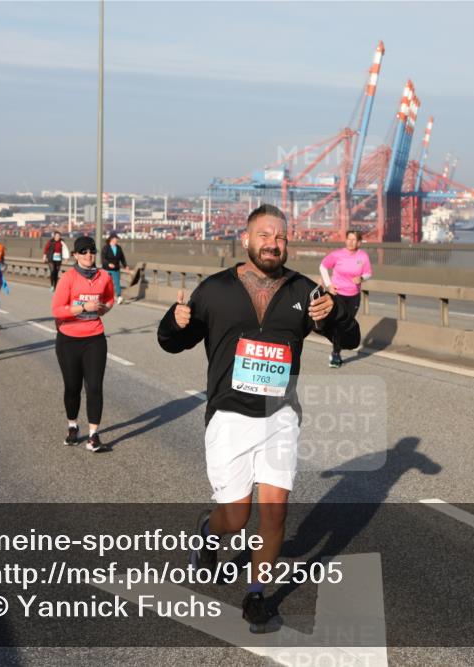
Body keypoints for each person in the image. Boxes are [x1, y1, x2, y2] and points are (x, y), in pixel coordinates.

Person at [157, 204, 359, 632]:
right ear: (246, 240)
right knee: (236, 516)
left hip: (280, 415)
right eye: (265, 235)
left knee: (275, 513)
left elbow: (351, 337)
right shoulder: (214, 290)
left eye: (281, 237)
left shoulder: (305, 292)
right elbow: (172, 342)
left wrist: (335, 315)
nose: (273, 243)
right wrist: (173, 322)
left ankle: (255, 595)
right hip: (229, 417)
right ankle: (209, 532)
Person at [51, 236, 115, 452]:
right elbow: (57, 310)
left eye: (92, 251)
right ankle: (72, 427)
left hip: (95, 338)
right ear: (76, 255)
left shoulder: (104, 276)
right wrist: (83, 308)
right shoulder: (68, 278)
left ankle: (94, 435)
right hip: (69, 339)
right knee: (72, 387)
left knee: (95, 387)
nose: (89, 255)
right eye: (83, 251)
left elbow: (109, 298)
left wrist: (104, 308)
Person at [319, 229, 372, 368]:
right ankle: (336, 354)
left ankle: (336, 349)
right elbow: (323, 266)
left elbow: (368, 273)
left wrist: (361, 278)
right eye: (349, 239)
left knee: (345, 326)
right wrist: (329, 285)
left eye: (354, 240)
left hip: (354, 296)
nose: (351, 242)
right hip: (337, 295)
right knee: (338, 324)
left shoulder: (363, 256)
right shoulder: (337, 255)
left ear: (359, 242)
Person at [101, 232, 128, 305]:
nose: (117, 240)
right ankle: (103, 296)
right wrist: (108, 264)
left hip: (116, 268)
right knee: (106, 283)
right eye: (116, 239)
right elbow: (103, 259)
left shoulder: (118, 248)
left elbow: (122, 258)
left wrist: (125, 265)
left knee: (117, 283)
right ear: (112, 239)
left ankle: (119, 296)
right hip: (107, 269)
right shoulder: (105, 247)